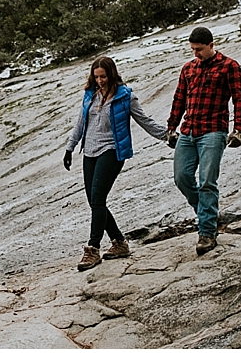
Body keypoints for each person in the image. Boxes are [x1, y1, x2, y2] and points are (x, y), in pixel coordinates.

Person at [63, 56, 168, 271]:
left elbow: (145, 121)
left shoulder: (126, 97)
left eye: (103, 76)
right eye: (96, 76)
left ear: (112, 74)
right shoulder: (90, 95)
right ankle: (119, 242)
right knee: (95, 202)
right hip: (89, 151)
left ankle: (93, 248)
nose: (100, 80)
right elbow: (80, 123)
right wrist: (69, 147)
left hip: (111, 151)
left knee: (98, 199)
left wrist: (167, 136)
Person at [167, 26, 241, 256]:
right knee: (181, 177)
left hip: (213, 131)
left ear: (211, 45)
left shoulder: (229, 67)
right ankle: (206, 214)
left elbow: (239, 99)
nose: (196, 54)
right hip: (188, 131)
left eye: (199, 50)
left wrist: (238, 129)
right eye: (193, 50)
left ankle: (207, 232)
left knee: (207, 182)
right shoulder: (188, 68)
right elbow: (179, 98)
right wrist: (171, 127)